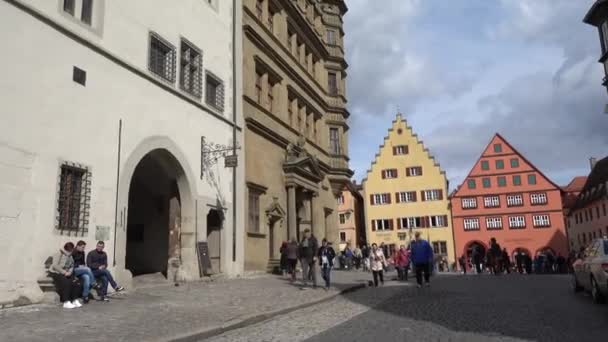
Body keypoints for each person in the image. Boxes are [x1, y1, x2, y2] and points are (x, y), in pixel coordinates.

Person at [49, 242, 82, 309]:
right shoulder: (59, 254)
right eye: (70, 250)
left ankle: (74, 300)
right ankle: (66, 302)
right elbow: (55, 266)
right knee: (66, 282)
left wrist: (69, 272)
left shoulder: (71, 256)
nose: (70, 251)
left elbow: (72, 265)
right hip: (56, 272)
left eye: (71, 250)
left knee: (75, 282)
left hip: (67, 273)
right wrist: (64, 272)